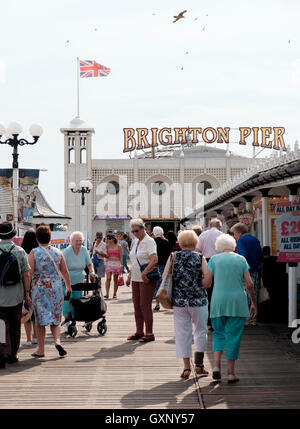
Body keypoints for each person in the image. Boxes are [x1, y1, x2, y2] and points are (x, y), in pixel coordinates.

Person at [202, 233, 257, 383]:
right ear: (233, 245)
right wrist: (253, 302)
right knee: (234, 336)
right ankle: (231, 373)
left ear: (218, 246)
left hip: (218, 301)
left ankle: (216, 366)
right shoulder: (240, 259)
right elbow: (250, 284)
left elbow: (206, 283)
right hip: (237, 302)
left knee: (218, 334)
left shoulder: (213, 259)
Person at [162, 230, 209, 379]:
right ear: (195, 242)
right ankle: (199, 365)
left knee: (182, 333)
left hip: (179, 301)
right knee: (200, 331)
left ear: (180, 243)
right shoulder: (200, 257)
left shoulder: (173, 256)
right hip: (198, 300)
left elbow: (165, 278)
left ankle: (186, 368)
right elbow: (207, 281)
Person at [28, 225, 72, 358]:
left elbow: (29, 273)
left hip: (40, 290)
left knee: (40, 320)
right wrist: (68, 286)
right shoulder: (58, 253)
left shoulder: (34, 253)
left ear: (37, 239)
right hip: (56, 288)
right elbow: (65, 271)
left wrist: (26, 290)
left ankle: (41, 350)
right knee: (55, 317)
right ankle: (57, 341)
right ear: (50, 237)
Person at [0, 222, 31, 369]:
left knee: (1, 325)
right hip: (16, 295)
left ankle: (1, 353)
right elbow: (26, 274)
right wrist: (27, 294)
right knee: (15, 326)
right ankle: (13, 355)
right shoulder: (19, 251)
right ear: (12, 235)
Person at [126, 218, 158, 342]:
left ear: (143, 228)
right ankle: (139, 331)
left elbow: (154, 259)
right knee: (137, 305)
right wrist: (129, 276)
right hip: (135, 278)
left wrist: (145, 273)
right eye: (133, 231)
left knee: (145, 305)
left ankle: (149, 333)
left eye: (137, 230)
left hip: (146, 278)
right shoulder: (135, 242)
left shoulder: (149, 241)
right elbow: (134, 261)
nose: (135, 233)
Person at [230, 222, 264, 326]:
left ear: (239, 233)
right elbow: (261, 258)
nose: (234, 237)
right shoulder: (255, 239)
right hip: (256, 270)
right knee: (253, 293)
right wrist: (261, 271)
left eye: (234, 234)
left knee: (245, 294)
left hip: (245, 271)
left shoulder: (241, 240)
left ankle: (247, 318)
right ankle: (253, 317)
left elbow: (243, 257)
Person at [62, 231, 96, 330]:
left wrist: (92, 271)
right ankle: (67, 321)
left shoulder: (84, 250)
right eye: (77, 241)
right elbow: (61, 266)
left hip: (79, 279)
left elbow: (89, 264)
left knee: (77, 301)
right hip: (67, 279)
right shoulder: (67, 251)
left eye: (80, 240)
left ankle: (75, 321)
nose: (79, 242)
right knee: (67, 302)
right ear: (71, 241)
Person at [195, 218, 223, 327]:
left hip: (206, 263)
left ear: (209, 226)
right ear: (219, 226)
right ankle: (217, 319)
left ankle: (208, 319)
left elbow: (197, 252)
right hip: (220, 263)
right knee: (218, 290)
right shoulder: (221, 235)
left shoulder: (202, 235)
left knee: (207, 291)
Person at [21, 230, 39, 347]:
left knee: (26, 312)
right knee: (36, 313)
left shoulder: (22, 252)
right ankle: (35, 337)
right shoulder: (37, 252)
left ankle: (28, 339)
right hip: (37, 286)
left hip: (24, 286)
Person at [152, 226, 172, 311]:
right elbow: (170, 255)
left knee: (156, 283)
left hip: (154, 265)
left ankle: (157, 303)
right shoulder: (166, 242)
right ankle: (163, 300)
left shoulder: (152, 242)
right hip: (165, 265)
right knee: (163, 283)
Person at [104, 234, 122, 299]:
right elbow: (104, 253)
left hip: (117, 264)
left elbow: (121, 256)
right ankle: (107, 294)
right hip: (109, 263)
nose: (108, 239)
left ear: (113, 239)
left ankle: (114, 294)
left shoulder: (119, 246)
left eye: (109, 238)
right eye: (107, 238)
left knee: (115, 279)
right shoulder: (106, 246)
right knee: (108, 278)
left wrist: (121, 265)